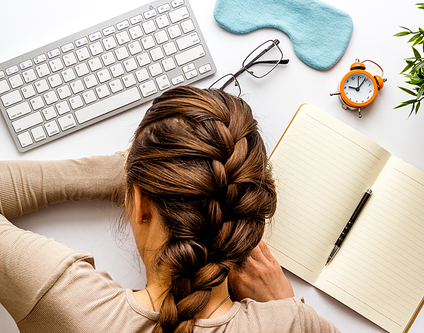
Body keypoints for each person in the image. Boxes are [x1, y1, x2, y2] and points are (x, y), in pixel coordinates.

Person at [0, 86, 341, 333]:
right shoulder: (292, 324)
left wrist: (129, 170)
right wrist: (284, 308)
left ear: (140, 205)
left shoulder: (70, 305)